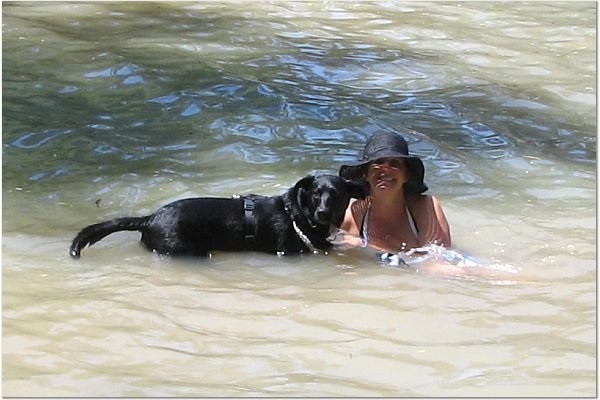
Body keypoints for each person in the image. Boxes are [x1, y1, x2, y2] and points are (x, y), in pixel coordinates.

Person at [337, 131, 451, 253]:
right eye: (378, 162)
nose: (385, 170)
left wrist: (366, 246)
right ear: (365, 174)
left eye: (394, 163)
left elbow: (438, 261)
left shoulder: (426, 207)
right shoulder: (355, 215)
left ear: (406, 175)